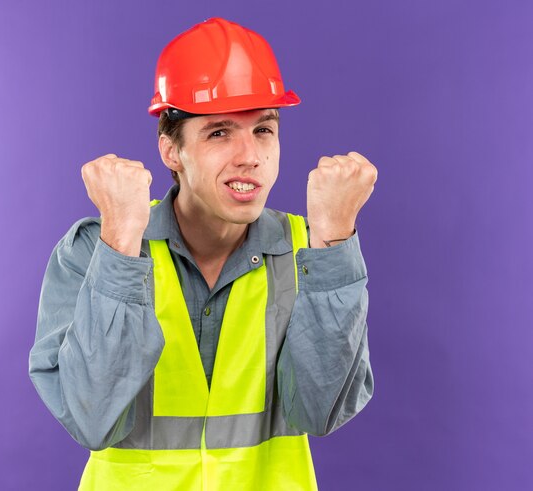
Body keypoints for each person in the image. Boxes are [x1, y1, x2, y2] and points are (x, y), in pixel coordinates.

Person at [29, 17, 377, 491]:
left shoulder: (310, 251)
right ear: (171, 151)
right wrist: (121, 242)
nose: (249, 155)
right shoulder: (95, 250)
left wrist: (335, 240)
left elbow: (323, 412)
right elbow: (91, 418)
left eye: (263, 130)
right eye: (219, 133)